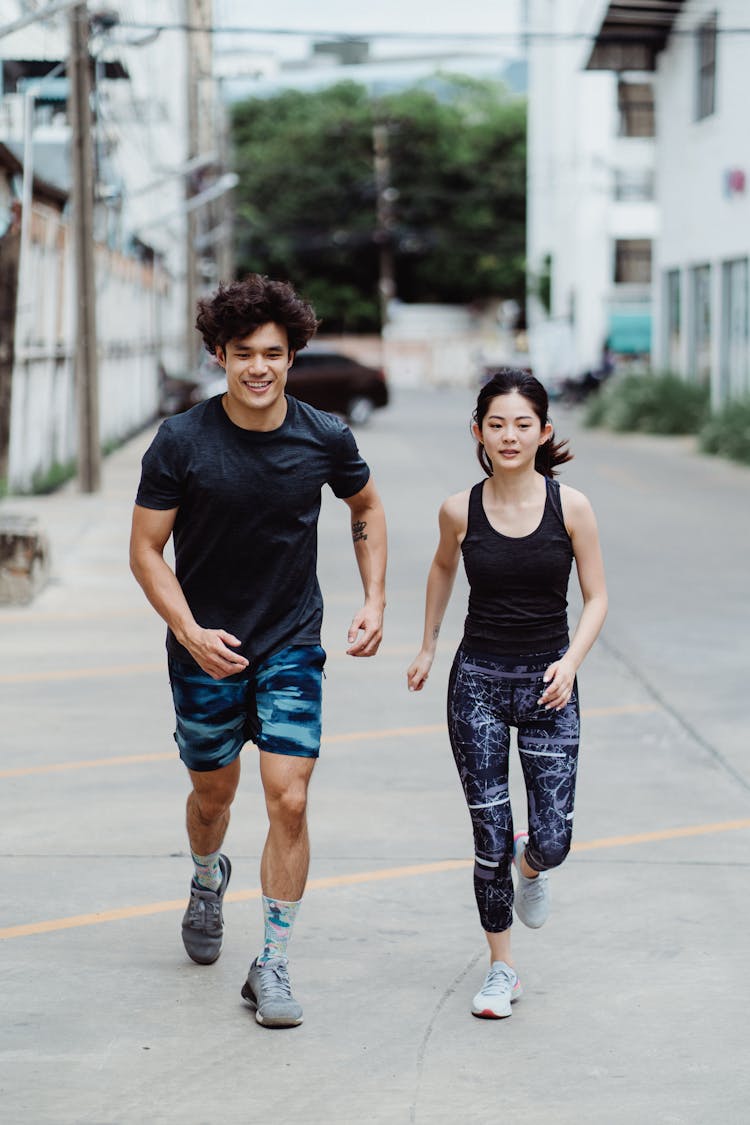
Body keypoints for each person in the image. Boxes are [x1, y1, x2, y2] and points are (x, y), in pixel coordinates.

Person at [130, 274, 387, 1029]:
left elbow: (364, 504)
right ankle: (208, 876)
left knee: (292, 797)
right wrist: (189, 632)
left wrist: (373, 598)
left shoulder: (324, 437)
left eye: (273, 354)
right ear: (219, 354)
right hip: (203, 646)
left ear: (291, 356)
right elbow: (146, 550)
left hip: (290, 645)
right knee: (213, 797)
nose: (259, 368)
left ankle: (271, 962)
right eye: (243, 353)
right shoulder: (182, 440)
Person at [407, 369, 607, 1019]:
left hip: (549, 684)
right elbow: (441, 567)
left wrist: (571, 661)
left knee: (551, 841)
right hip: (479, 686)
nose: (510, 435)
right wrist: (429, 643)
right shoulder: (458, 509)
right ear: (478, 433)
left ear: (543, 431)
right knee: (488, 838)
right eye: (497, 424)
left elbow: (598, 595)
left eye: (523, 424)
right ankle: (502, 968)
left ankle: (534, 867)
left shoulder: (570, 506)